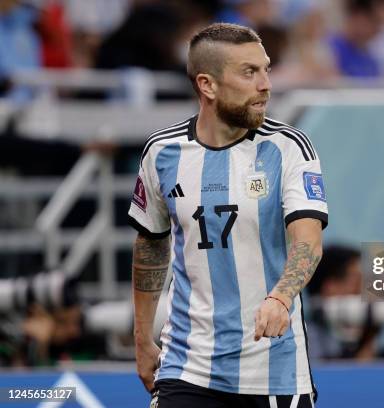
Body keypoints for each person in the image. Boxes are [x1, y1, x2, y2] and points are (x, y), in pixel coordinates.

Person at [128, 23, 327, 408]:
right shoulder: (162, 153)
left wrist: (281, 298)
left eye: (266, 69)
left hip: (272, 369)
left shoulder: (288, 148)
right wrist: (141, 338)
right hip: (186, 366)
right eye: (249, 72)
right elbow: (151, 245)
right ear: (208, 85)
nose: (265, 84)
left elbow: (308, 242)